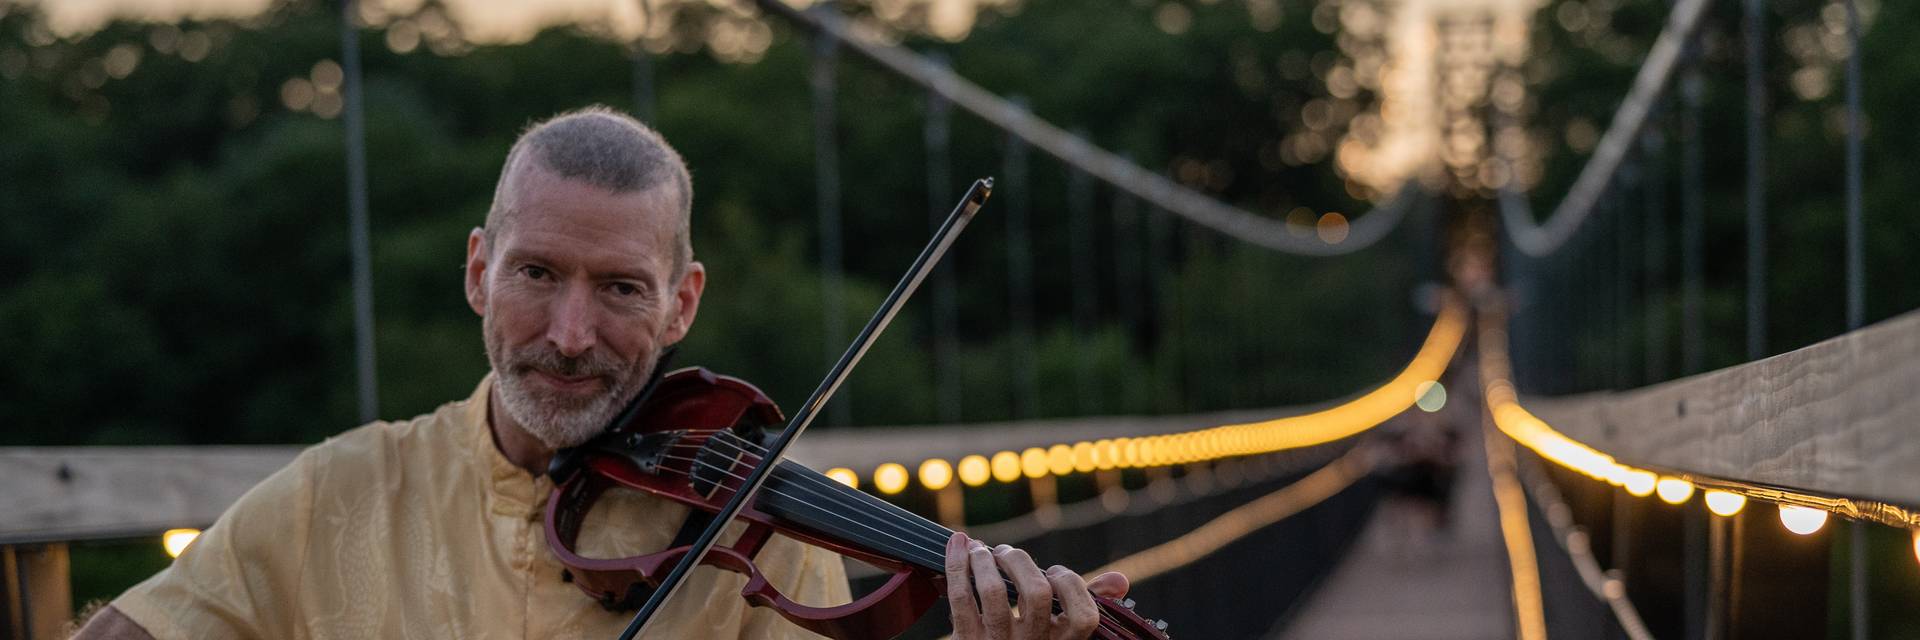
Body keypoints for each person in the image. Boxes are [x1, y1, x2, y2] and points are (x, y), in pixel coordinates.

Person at [74, 106, 1125, 639]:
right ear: (480, 270)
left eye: (620, 288)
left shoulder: (765, 537)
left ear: (684, 302)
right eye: (537, 272)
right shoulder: (335, 494)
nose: (570, 334)